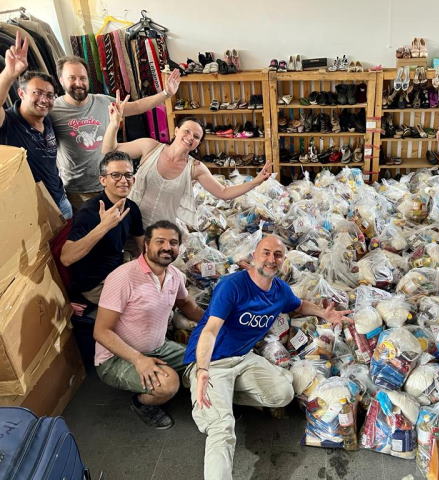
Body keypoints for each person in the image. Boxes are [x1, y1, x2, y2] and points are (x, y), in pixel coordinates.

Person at [184, 235, 352, 480]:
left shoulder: (279, 290)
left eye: (277, 254)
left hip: (243, 358)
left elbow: (297, 305)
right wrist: (202, 370)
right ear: (254, 256)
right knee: (222, 429)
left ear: (283, 260)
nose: (271, 259)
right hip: (213, 361)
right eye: (266, 252)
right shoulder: (232, 285)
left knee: (282, 394)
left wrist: (323, 313)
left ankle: (223, 396)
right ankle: (214, 402)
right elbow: (210, 330)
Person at [93, 220, 204, 429]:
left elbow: (186, 305)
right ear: (146, 245)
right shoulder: (123, 277)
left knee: (204, 361)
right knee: (169, 384)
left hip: (158, 347)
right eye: (160, 241)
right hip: (116, 358)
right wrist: (139, 360)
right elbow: (100, 332)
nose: (167, 247)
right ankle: (141, 403)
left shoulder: (175, 276)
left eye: (173, 242)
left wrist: (216, 323)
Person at [102, 95, 273, 228]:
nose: (190, 137)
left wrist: (257, 181)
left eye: (197, 137)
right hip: (129, 221)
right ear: (176, 130)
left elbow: (224, 192)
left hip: (160, 231)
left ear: (198, 143)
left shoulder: (196, 168)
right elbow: (109, 151)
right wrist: (114, 124)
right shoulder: (150, 146)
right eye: (187, 131)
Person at [50, 55, 182, 208]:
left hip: (111, 184)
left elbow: (137, 106)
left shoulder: (103, 102)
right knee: (91, 231)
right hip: (78, 192)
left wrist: (166, 94)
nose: (78, 83)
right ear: (61, 80)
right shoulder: (53, 110)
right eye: (72, 78)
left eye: (82, 78)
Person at [0, 32, 72, 218]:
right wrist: (9, 73)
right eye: (37, 93)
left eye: (49, 95)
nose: (44, 100)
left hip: (61, 202)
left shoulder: (47, 119)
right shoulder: (8, 121)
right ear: (21, 94)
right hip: (30, 214)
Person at [60, 151, 144, 305]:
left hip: (117, 268)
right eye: (116, 175)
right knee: (143, 304)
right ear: (103, 180)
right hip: (95, 283)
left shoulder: (132, 208)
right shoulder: (90, 211)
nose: (124, 180)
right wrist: (103, 226)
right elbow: (66, 258)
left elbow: (141, 247)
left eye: (128, 175)